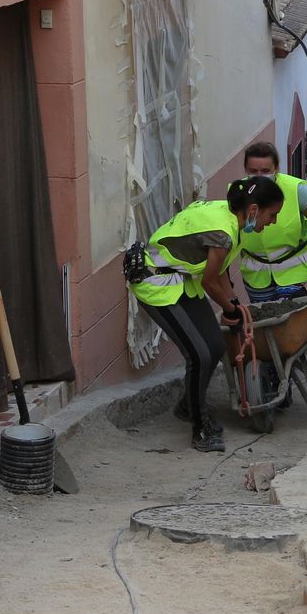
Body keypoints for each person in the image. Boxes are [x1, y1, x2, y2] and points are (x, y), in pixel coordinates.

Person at [123, 176, 285, 452]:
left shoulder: (228, 217)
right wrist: (232, 309)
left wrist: (232, 304)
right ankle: (200, 430)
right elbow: (210, 282)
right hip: (156, 283)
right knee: (199, 354)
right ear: (254, 209)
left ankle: (188, 404)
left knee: (215, 345)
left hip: (181, 280)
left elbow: (219, 274)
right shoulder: (224, 232)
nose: (273, 222)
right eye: (272, 215)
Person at [237, 142, 307, 303]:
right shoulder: (236, 194)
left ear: (276, 169)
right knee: (265, 323)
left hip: (296, 270)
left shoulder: (297, 190)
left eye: (265, 171)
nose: (259, 175)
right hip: (256, 275)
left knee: (292, 323)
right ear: (246, 170)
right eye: (253, 171)